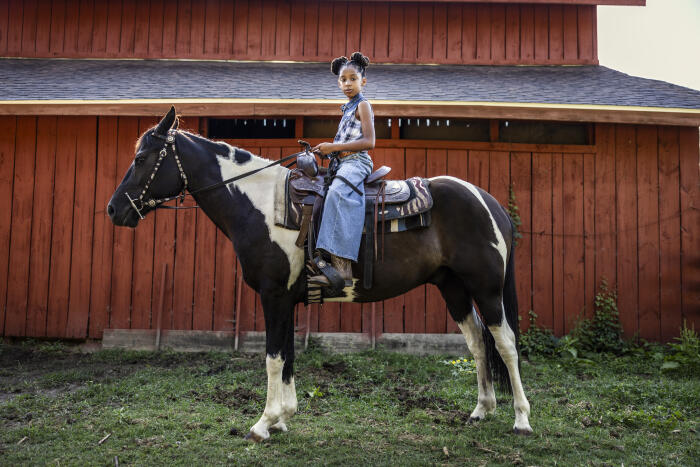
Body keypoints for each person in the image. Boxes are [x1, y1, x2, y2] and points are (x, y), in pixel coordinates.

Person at [309, 52, 376, 289]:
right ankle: (318, 257)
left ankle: (342, 270)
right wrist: (328, 151)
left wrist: (334, 147)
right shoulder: (346, 109)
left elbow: (369, 141)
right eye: (343, 80)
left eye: (353, 78)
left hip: (357, 162)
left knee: (338, 194)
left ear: (362, 81)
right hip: (342, 162)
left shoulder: (363, 105)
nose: (347, 83)